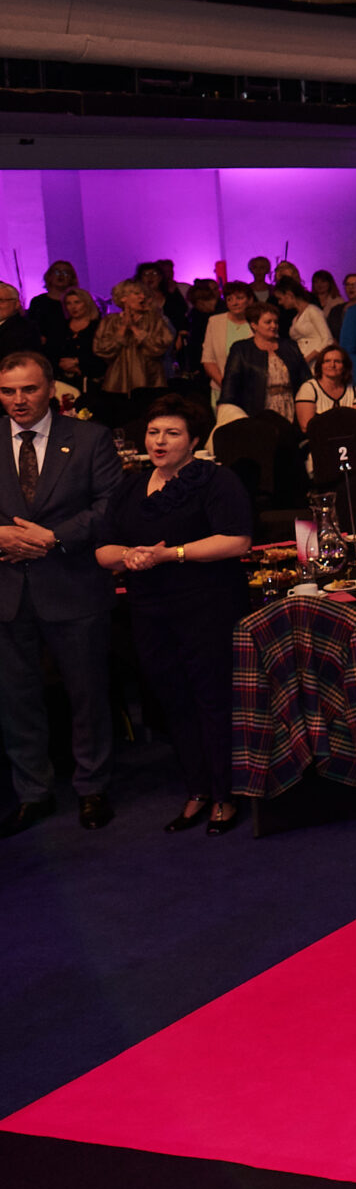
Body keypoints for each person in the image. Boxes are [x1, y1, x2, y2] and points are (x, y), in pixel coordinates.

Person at [94, 395, 252, 836]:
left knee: (212, 699)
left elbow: (237, 541)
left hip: (208, 606)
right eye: (153, 433)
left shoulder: (217, 480)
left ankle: (225, 794)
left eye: (171, 433)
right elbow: (104, 550)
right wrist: (130, 555)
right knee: (174, 700)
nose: (159, 442)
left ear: (194, 440)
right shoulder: (129, 487)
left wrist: (172, 554)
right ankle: (197, 790)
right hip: (149, 611)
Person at [0, 352, 124, 833]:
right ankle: (33, 792)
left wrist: (53, 537)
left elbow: (110, 505)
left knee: (87, 695)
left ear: (51, 389)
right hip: (8, 591)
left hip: (74, 586)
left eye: (28, 389)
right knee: (17, 701)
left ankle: (92, 787)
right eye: (8, 391)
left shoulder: (90, 438)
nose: (18, 400)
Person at [91, 281, 171, 427]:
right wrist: (122, 329)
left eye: (143, 294)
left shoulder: (155, 320)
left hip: (150, 382)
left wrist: (135, 329)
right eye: (137, 293)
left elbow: (160, 347)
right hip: (116, 384)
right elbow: (101, 348)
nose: (142, 297)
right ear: (123, 298)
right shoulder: (110, 321)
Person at [219, 303, 309, 422]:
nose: (273, 326)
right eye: (268, 322)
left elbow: (306, 379)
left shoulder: (290, 346)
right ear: (254, 325)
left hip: (291, 408)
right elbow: (230, 385)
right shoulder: (241, 349)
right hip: (257, 411)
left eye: (275, 322)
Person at [297, 344, 356, 427]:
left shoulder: (354, 391)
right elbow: (306, 427)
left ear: (344, 366)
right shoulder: (308, 389)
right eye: (327, 361)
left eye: (337, 361)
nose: (332, 365)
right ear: (320, 365)